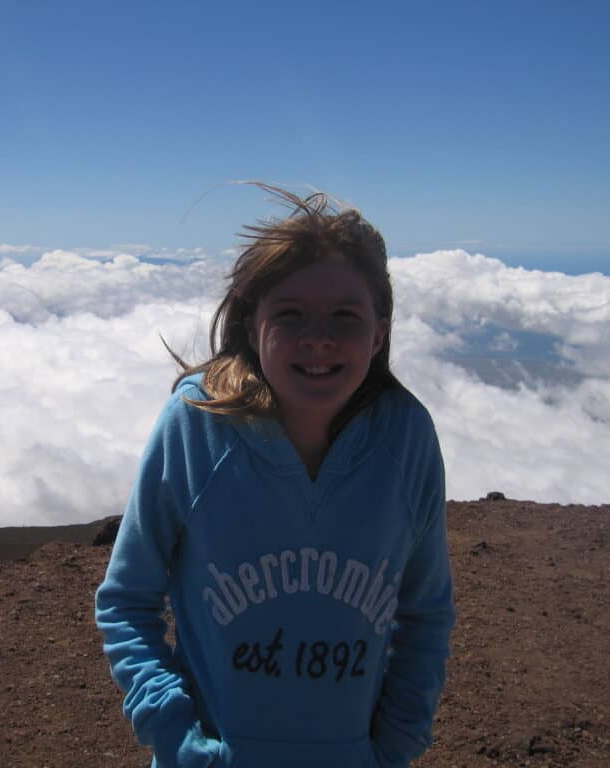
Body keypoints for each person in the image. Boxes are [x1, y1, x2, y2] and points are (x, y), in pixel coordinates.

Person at [95, 185, 455, 768]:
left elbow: (426, 612)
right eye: (291, 314)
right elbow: (126, 599)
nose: (319, 337)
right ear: (251, 321)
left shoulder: (406, 439)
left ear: (379, 332)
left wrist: (395, 747)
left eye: (346, 316)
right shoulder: (198, 426)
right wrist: (180, 741)